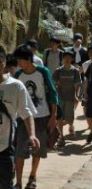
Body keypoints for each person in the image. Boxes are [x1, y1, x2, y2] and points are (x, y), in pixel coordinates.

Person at [14, 45, 58, 189]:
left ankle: (32, 177)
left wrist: (53, 116)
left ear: (28, 59)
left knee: (37, 149)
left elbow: (52, 93)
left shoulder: (42, 72)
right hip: (22, 118)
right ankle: (18, 182)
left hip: (41, 116)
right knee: (19, 151)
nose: (18, 63)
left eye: (20, 60)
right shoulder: (18, 75)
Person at [0, 46, 39, 189]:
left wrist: (32, 135)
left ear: (4, 62)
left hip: (5, 148)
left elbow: (26, 112)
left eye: (0, 61)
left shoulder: (16, 86)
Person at [53, 50, 82, 147]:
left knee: (69, 118)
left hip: (70, 97)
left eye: (69, 58)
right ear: (63, 59)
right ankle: (61, 137)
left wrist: (76, 95)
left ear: (72, 59)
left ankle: (71, 125)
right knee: (60, 118)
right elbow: (53, 83)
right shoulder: (58, 71)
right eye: (65, 57)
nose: (67, 59)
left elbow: (77, 85)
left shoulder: (75, 71)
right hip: (60, 98)